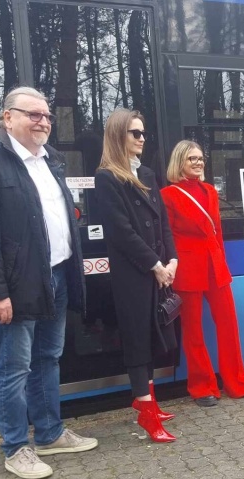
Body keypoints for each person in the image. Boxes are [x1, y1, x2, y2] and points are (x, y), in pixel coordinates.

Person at [0, 87, 97, 479]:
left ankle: (50, 433)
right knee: (13, 367)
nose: (43, 122)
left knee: (48, 357)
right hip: (16, 286)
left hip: (56, 274)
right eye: (33, 115)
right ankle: (16, 447)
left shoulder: (51, 159)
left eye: (47, 116)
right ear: (7, 118)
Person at [92, 109, 178, 442]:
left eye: (143, 133)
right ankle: (145, 411)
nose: (141, 139)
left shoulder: (148, 174)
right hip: (134, 273)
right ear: (118, 136)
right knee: (138, 340)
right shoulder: (107, 177)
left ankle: (148, 401)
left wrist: (172, 260)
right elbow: (121, 231)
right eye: (134, 133)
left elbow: (163, 223)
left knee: (155, 336)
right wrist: (155, 265)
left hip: (158, 270)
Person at [161, 141, 244, 406]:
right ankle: (202, 386)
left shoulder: (210, 191)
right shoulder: (168, 195)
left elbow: (217, 231)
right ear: (179, 162)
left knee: (229, 325)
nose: (198, 162)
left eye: (201, 158)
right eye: (191, 158)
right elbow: (166, 237)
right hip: (187, 269)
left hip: (216, 267)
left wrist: (223, 263)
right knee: (194, 332)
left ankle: (236, 382)